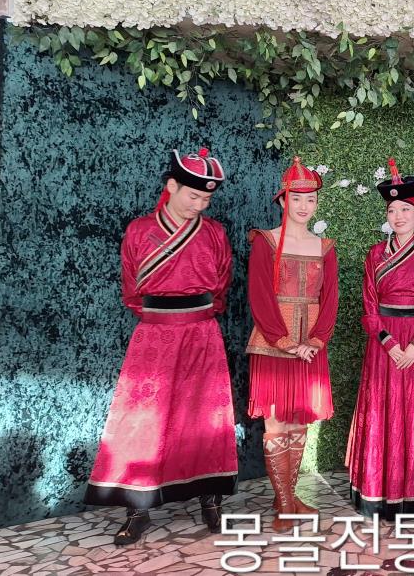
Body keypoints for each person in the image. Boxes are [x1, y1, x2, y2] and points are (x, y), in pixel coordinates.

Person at [84, 147, 235, 545]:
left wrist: (199, 315)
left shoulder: (215, 233)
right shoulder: (139, 230)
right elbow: (131, 289)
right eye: (193, 196)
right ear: (171, 186)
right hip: (154, 334)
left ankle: (211, 499)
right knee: (143, 418)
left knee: (204, 415)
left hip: (202, 333)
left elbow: (221, 284)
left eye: (206, 199)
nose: (199, 205)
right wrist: (160, 317)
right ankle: (138, 508)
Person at [345, 159, 414, 520]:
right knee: (384, 413)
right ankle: (379, 489)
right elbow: (369, 305)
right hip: (385, 344)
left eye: (405, 209)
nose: (398, 216)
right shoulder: (375, 254)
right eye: (392, 210)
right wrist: (391, 345)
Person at [245, 156, 338, 532]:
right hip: (273, 344)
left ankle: (290, 495)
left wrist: (316, 340)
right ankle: (284, 503)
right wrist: (284, 341)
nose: (303, 206)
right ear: (283, 200)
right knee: (276, 421)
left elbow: (330, 299)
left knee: (300, 421)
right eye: (296, 199)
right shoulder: (265, 241)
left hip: (310, 346)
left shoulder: (325, 246)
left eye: (310, 199)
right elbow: (259, 295)